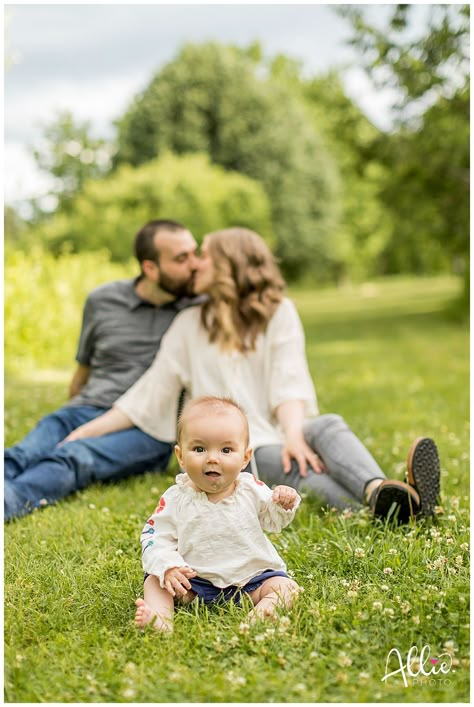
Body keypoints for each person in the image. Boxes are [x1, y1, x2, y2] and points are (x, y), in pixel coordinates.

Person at [63, 227, 441, 522]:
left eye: (204, 256)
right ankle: (403, 504)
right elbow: (147, 395)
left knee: (325, 426)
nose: (195, 263)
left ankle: (377, 491)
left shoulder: (279, 312)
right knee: (298, 469)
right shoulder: (188, 324)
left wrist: (295, 434)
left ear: (231, 265)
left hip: (286, 426)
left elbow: (289, 381)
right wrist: (86, 431)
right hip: (243, 448)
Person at [4, 219, 200, 521]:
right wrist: (70, 413)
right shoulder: (103, 300)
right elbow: (83, 370)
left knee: (74, 457)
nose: (195, 265)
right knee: (22, 454)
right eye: (181, 258)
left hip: (147, 426)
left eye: (194, 253)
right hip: (87, 407)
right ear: (150, 267)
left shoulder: (199, 308)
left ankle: (9, 501)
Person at [134, 396, 301, 632]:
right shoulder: (175, 499)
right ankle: (160, 619)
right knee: (155, 580)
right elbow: (155, 537)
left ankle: (259, 617)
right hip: (195, 584)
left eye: (226, 449)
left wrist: (283, 503)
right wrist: (169, 566)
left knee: (286, 587)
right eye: (200, 449)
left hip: (250, 581)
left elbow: (273, 520)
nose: (212, 458)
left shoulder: (251, 489)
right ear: (181, 456)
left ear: (245, 457)